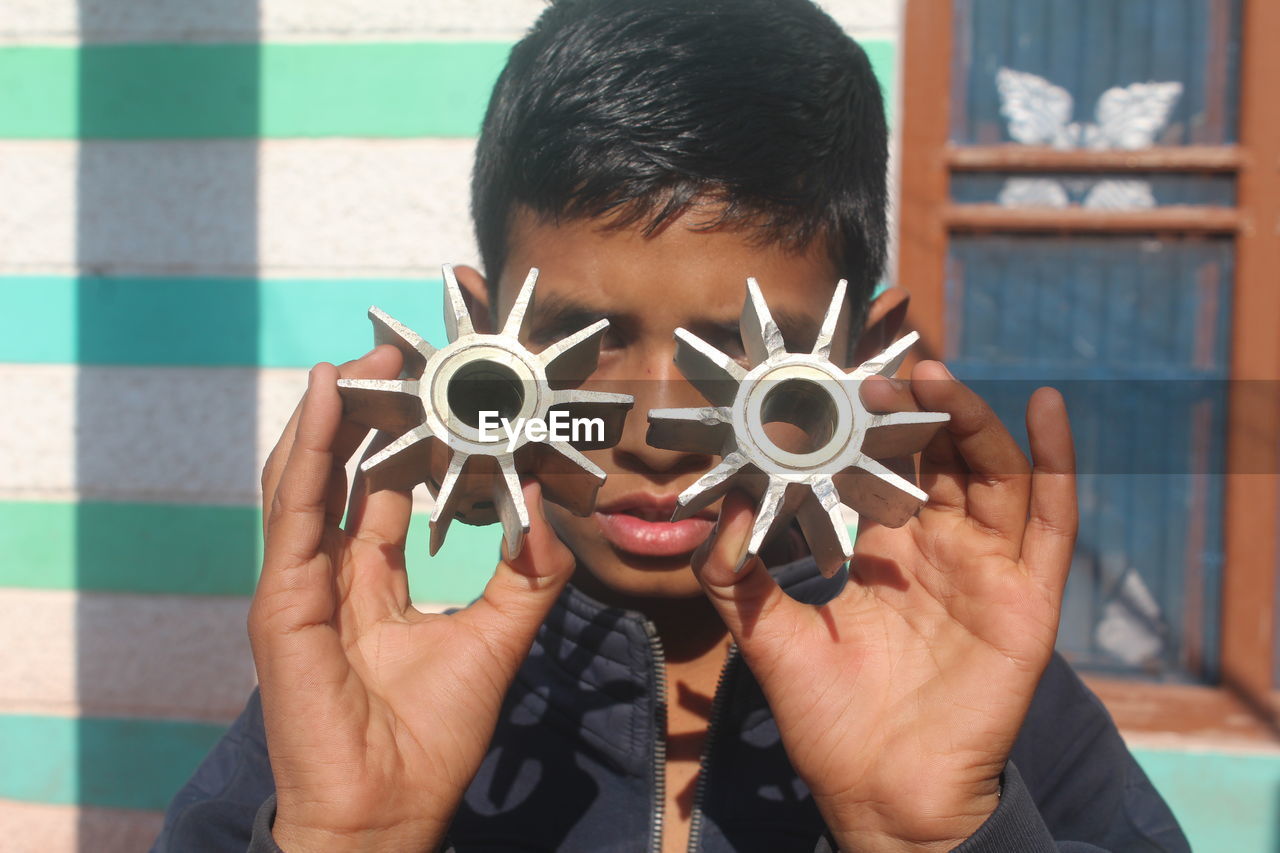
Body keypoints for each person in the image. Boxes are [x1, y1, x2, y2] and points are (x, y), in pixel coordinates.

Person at [151, 0, 1190, 850]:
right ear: (478, 333)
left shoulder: (981, 707)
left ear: (856, 359)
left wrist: (932, 837)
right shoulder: (363, 708)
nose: (655, 427)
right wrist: (348, 838)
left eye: (740, 346)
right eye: (583, 335)